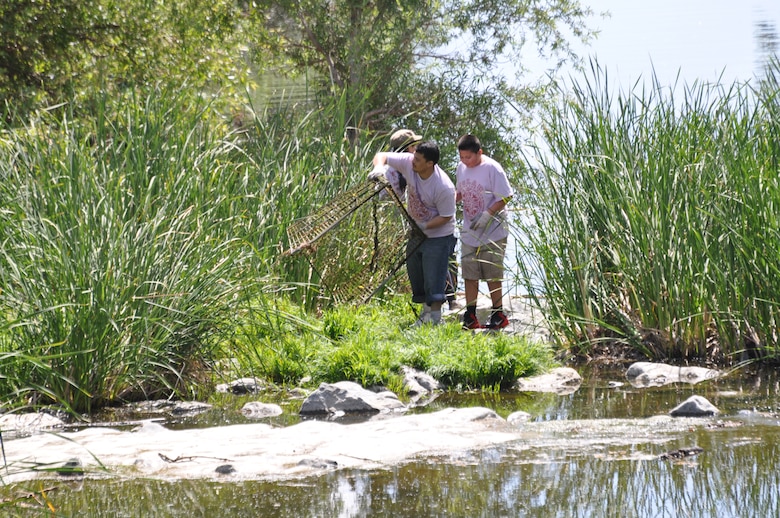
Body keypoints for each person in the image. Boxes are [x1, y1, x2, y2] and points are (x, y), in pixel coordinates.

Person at [369, 141, 456, 326]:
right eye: (413, 157)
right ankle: (425, 316)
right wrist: (378, 168)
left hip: (438, 235)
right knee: (416, 270)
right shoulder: (409, 162)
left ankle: (435, 318)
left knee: (434, 273)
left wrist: (425, 226)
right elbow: (382, 155)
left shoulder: (443, 187)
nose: (413, 161)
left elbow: (447, 216)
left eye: (418, 160)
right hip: (416, 231)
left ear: (430, 164)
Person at [455, 134, 514, 329]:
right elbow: (461, 192)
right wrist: (448, 202)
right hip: (470, 231)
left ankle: (498, 314)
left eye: (469, 157)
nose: (465, 161)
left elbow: (506, 195)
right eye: (462, 157)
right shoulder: (461, 168)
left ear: (479, 152)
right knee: (470, 273)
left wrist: (488, 214)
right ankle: (470, 315)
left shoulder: (492, 168)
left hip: (493, 231)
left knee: (492, 273)